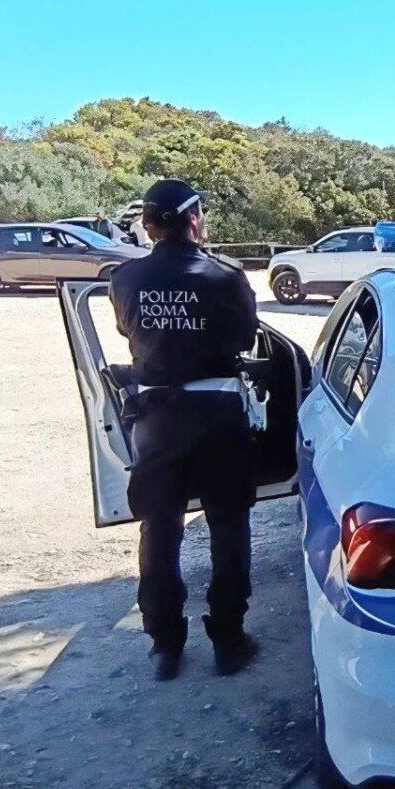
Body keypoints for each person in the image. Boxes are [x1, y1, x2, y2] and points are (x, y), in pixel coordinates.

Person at [109, 178, 260, 681]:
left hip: (156, 422)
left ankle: (165, 645)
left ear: (149, 225)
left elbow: (130, 334)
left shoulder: (124, 278)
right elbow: (244, 337)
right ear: (194, 219)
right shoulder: (225, 276)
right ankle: (229, 640)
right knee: (228, 527)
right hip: (216, 417)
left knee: (160, 531)